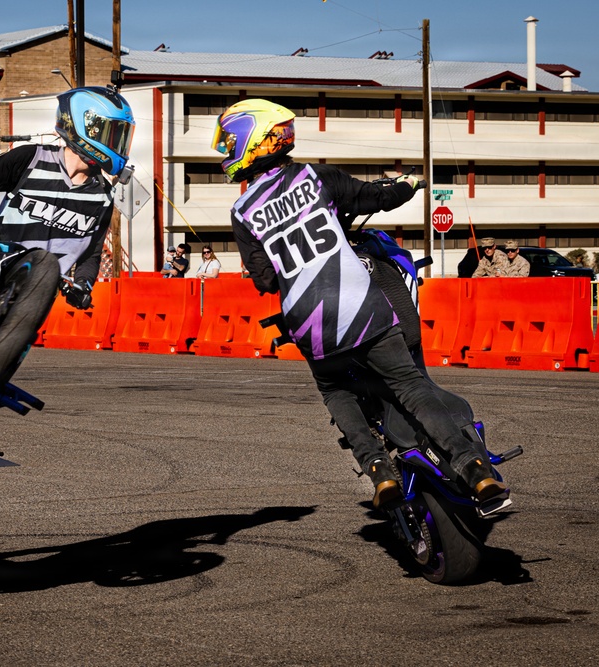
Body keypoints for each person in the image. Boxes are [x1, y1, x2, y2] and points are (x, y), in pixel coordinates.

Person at [212, 98, 506, 508]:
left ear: (255, 140)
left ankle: (379, 471)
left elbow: (265, 279)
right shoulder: (316, 177)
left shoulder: (242, 210)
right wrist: (408, 184)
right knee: (411, 385)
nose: (227, 150)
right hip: (361, 305)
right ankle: (473, 467)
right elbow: (376, 198)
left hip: (307, 321)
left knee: (336, 392)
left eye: (230, 142)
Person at [0, 86, 135, 309]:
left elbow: (91, 253)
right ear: (87, 127)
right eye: (113, 133)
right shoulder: (30, 158)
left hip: (34, 291)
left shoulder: (102, 197)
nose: (118, 143)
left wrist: (83, 285)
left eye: (122, 136)